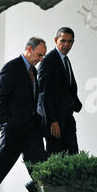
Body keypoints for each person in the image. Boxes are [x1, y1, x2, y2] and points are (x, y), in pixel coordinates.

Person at [0, 37, 47, 192]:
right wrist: (6, 123)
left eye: (43, 56)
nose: (41, 59)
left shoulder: (33, 71)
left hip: (32, 131)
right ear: (28, 50)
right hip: (14, 130)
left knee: (42, 171)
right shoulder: (11, 67)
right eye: (39, 55)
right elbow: (0, 98)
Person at [37, 27, 82, 156]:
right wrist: (53, 121)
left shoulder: (65, 60)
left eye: (70, 41)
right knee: (56, 156)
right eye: (63, 41)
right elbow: (44, 94)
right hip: (54, 121)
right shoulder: (48, 61)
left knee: (72, 156)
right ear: (56, 40)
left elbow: (67, 87)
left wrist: (75, 104)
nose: (66, 45)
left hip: (66, 117)